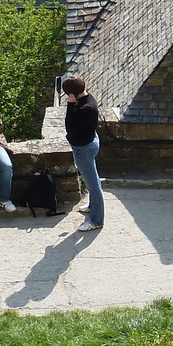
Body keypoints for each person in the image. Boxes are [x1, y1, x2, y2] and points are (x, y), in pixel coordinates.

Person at [64, 76, 104, 231]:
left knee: (93, 185)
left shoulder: (84, 109)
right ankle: (92, 206)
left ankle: (96, 220)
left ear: (71, 94)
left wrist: (70, 105)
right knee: (92, 179)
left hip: (84, 149)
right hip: (89, 142)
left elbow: (70, 126)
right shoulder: (87, 99)